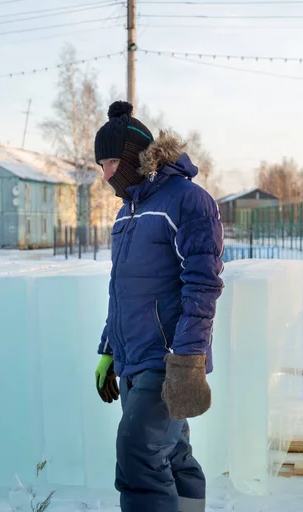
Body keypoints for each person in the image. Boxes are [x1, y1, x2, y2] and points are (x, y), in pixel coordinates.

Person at [94, 101, 224, 512]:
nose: (106, 174)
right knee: (172, 455)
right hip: (133, 358)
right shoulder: (126, 212)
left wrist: (188, 359)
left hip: (168, 359)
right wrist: (109, 348)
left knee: (138, 456)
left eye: (112, 160)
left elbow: (202, 284)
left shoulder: (188, 201)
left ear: (136, 155)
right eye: (101, 164)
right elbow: (123, 290)